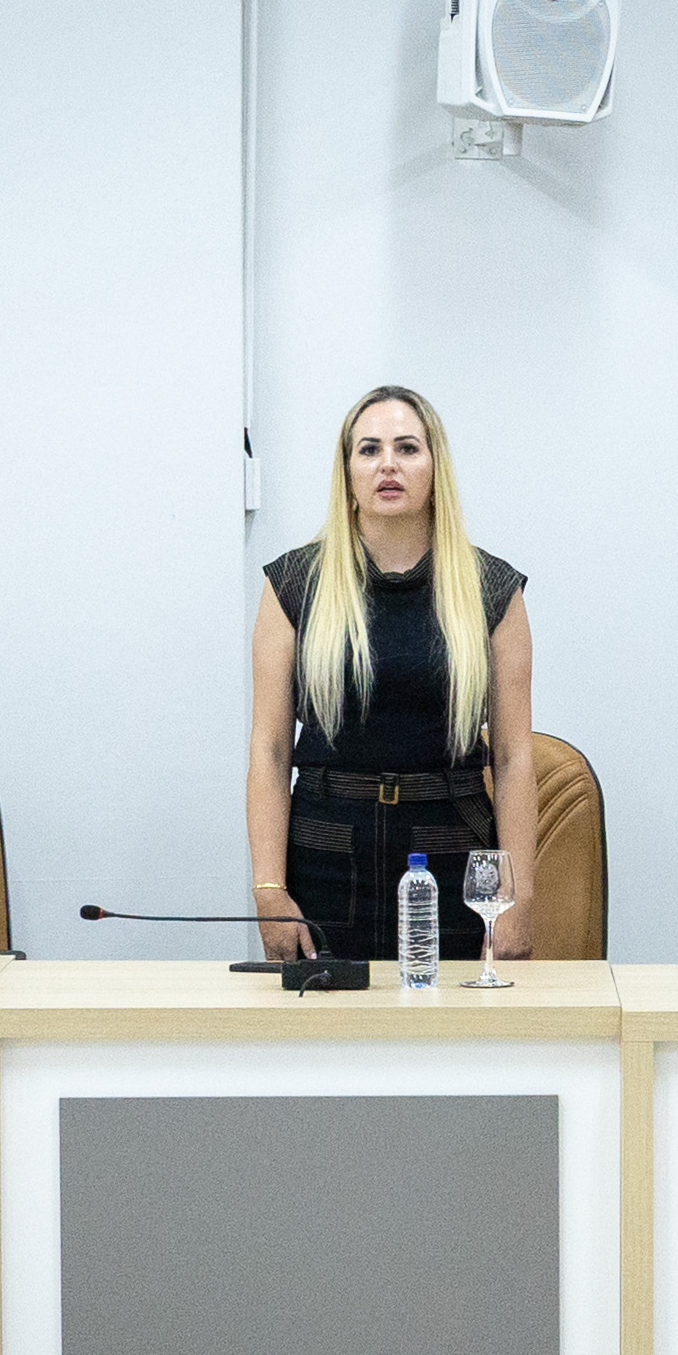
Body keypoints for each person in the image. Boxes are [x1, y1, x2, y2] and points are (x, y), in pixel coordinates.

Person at [248, 386, 535, 962]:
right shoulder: (295, 585)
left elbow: (512, 757)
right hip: (325, 856)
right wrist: (269, 889)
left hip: (453, 856)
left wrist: (517, 900)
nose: (387, 465)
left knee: (455, 1018)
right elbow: (271, 750)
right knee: (327, 1018)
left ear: (434, 467)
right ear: (347, 471)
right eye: (369, 449)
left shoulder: (491, 588)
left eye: (407, 448)